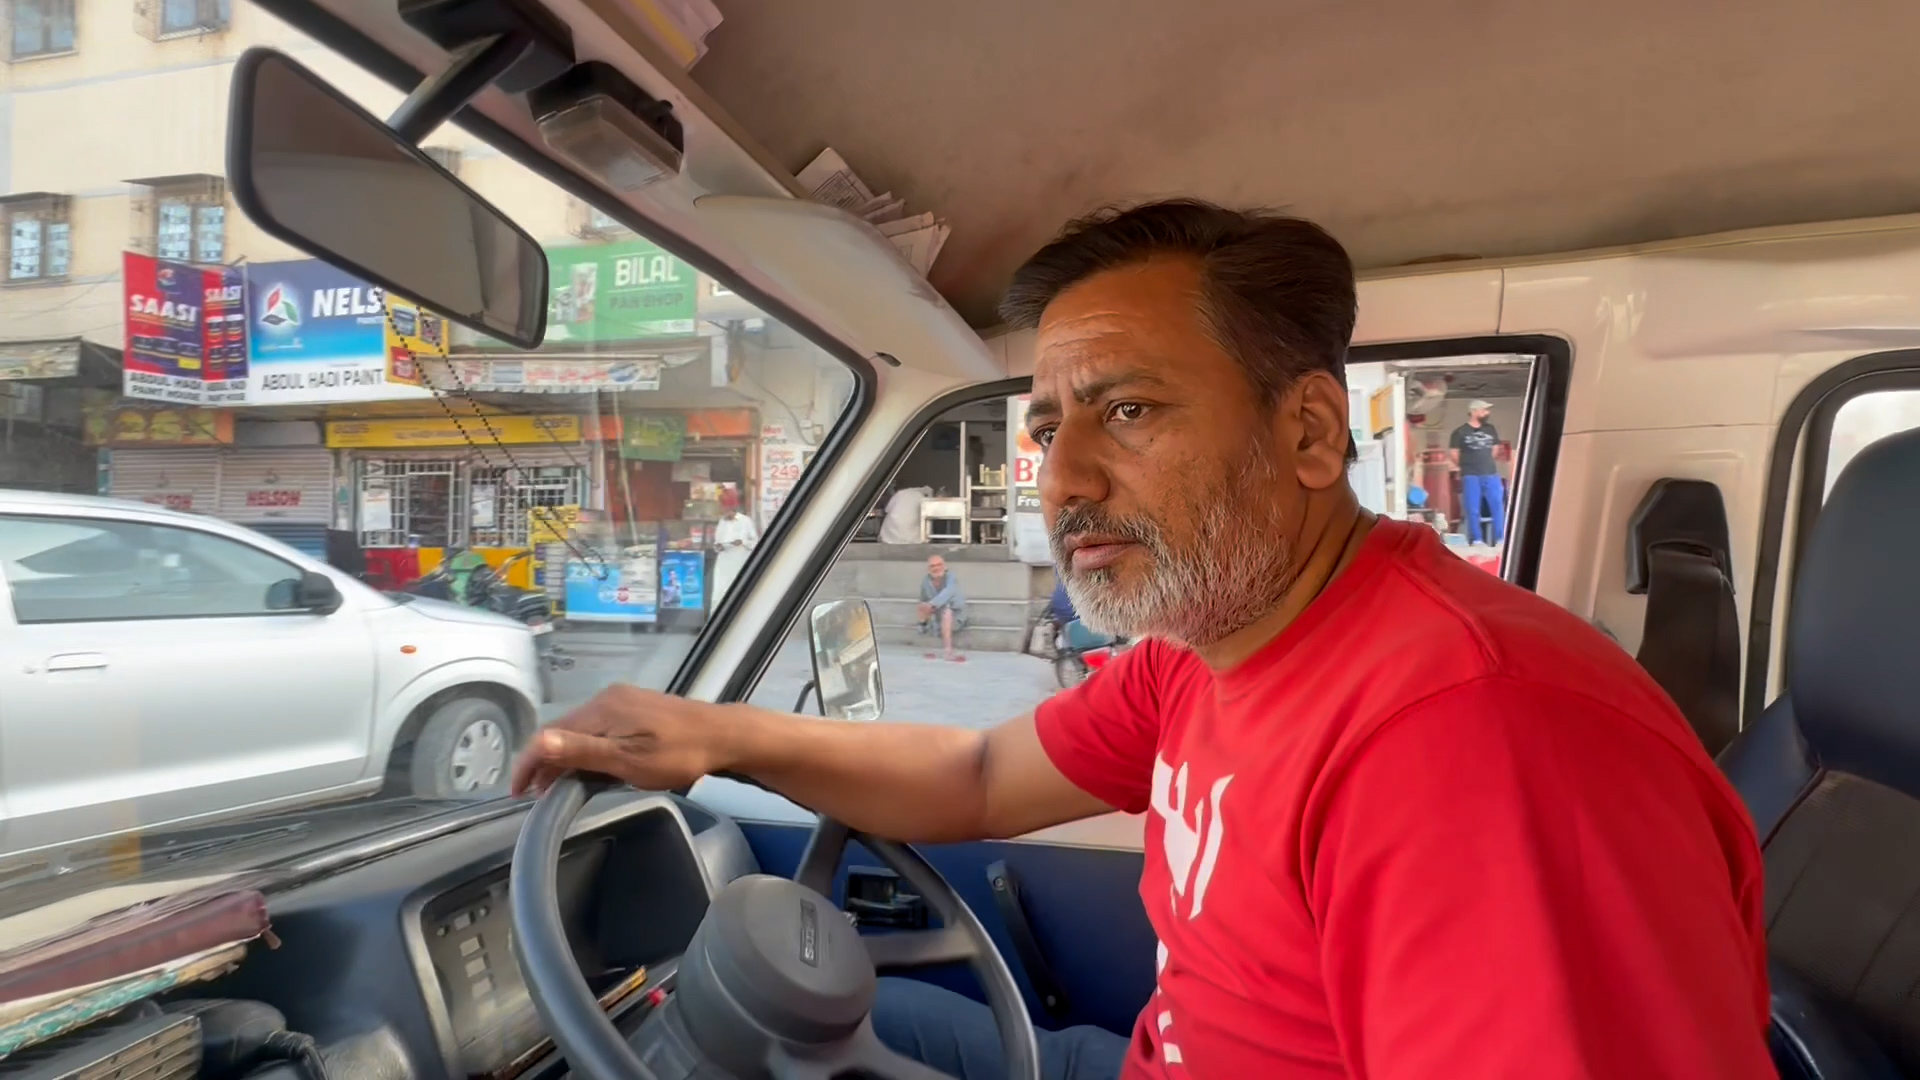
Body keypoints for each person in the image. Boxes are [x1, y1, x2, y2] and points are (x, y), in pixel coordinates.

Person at [512, 199, 1772, 1079]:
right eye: (1049, 424)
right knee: (866, 1017)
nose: (1061, 480)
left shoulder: (1470, 741)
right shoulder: (1208, 644)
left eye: (1128, 411)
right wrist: (712, 734)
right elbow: (982, 778)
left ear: (1312, 438)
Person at [1449, 398, 1505, 546]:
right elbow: (1454, 453)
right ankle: (1477, 539)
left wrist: (1484, 462)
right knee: (1472, 508)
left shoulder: (1490, 429)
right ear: (1474, 412)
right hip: (1470, 475)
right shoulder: (1460, 432)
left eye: (1487, 410)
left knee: (1497, 506)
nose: (1487, 413)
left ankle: (1500, 538)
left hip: (1491, 473)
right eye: (1484, 410)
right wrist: (1467, 465)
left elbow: (1494, 449)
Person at [710, 488, 757, 605]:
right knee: (720, 593)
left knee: (738, 591)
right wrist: (718, 546)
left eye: (726, 508)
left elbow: (755, 542)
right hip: (724, 563)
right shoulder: (722, 522)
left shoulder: (745, 521)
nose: (725, 511)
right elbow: (717, 542)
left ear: (732, 508)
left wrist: (742, 542)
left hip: (739, 563)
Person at [917, 554, 967, 662]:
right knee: (922, 606)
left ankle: (948, 651)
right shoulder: (926, 581)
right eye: (932, 566)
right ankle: (925, 636)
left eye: (939, 565)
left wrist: (932, 604)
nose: (936, 568)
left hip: (955, 616)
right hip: (936, 616)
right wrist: (924, 608)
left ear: (944, 566)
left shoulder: (951, 577)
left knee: (947, 612)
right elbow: (923, 599)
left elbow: (947, 593)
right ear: (929, 569)